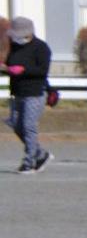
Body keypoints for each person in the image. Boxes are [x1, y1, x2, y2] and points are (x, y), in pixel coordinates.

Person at [6, 14, 52, 174]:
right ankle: (40, 153)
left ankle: (29, 160)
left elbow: (42, 71)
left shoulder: (41, 47)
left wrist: (24, 70)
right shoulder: (15, 46)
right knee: (16, 125)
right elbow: (10, 64)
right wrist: (7, 69)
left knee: (29, 126)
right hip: (17, 92)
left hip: (35, 92)